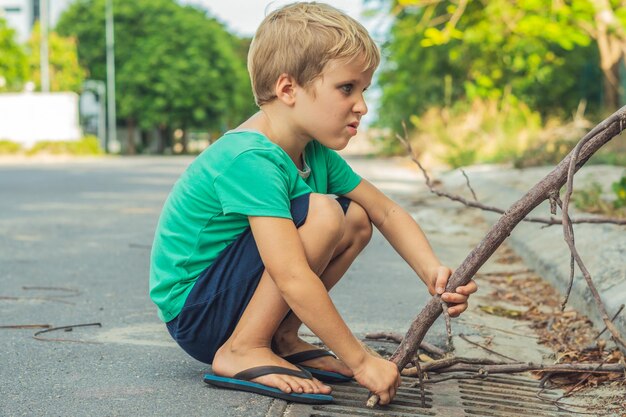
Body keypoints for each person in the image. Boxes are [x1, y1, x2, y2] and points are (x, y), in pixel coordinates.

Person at [149, 1, 477, 406]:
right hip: (197, 312)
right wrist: (360, 361)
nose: (362, 105)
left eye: (363, 90)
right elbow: (288, 272)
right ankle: (243, 348)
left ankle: (281, 338)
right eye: (347, 88)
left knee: (355, 217)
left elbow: (385, 211)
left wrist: (435, 274)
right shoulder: (251, 158)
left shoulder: (315, 153)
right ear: (288, 89)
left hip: (228, 300)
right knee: (324, 211)